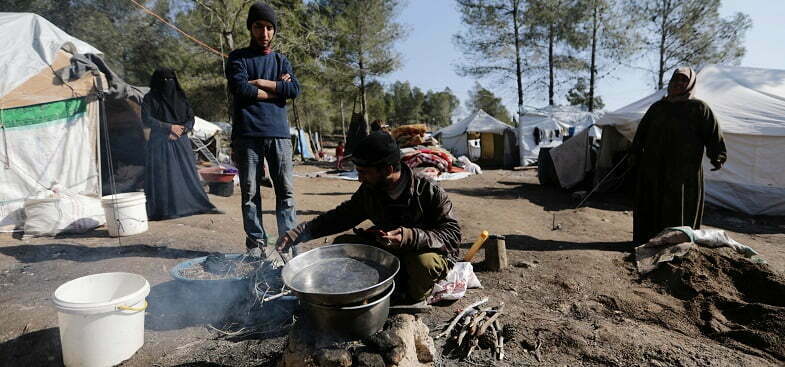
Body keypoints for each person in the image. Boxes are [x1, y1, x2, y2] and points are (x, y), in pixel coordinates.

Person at [276, 132, 461, 304]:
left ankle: (409, 298)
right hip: (389, 251)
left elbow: (452, 234)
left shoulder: (429, 191)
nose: (359, 179)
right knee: (341, 246)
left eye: (364, 172)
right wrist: (298, 233)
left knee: (423, 263)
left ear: (388, 169)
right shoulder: (370, 191)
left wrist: (409, 237)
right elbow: (341, 217)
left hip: (421, 253)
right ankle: (381, 287)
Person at [226, 2, 301, 257]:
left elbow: (294, 90)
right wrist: (275, 91)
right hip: (247, 134)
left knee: (286, 192)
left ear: (274, 30)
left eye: (270, 28)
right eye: (259, 26)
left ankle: (287, 242)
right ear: (251, 27)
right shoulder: (238, 58)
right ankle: (257, 244)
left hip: (279, 135)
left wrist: (259, 82)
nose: (265, 33)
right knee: (250, 192)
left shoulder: (281, 60)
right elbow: (239, 88)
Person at [630, 67, 726, 244]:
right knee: (652, 202)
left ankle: (676, 240)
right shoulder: (658, 108)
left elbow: (712, 134)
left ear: (690, 84)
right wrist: (634, 154)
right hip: (654, 167)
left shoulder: (699, 108)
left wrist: (717, 156)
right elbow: (641, 134)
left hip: (683, 170)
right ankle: (648, 240)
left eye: (683, 80)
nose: (678, 83)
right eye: (675, 79)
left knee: (678, 205)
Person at [141, 68, 220, 220]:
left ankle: (189, 205)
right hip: (160, 142)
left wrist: (182, 129)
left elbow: (191, 118)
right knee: (163, 176)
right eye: (163, 80)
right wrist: (169, 128)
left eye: (169, 80)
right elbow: (147, 119)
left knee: (185, 174)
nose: (166, 83)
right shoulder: (150, 98)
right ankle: (165, 210)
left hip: (180, 142)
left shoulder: (181, 97)